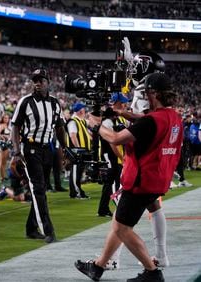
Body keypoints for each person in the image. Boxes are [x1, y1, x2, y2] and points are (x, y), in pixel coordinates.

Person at [75, 73, 182, 282]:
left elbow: (115, 138)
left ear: (155, 93)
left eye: (146, 93)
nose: (144, 97)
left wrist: (97, 126)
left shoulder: (151, 121)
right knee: (119, 221)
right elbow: (151, 122)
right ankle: (97, 267)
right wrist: (127, 114)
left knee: (122, 229)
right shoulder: (173, 116)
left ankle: (152, 272)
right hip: (157, 178)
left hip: (141, 181)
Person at [10, 68, 66, 244]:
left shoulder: (55, 103)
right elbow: (15, 127)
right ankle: (48, 230)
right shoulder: (25, 102)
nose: (37, 83)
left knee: (41, 190)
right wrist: (17, 151)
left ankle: (31, 228)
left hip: (47, 149)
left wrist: (65, 148)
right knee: (38, 189)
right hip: (30, 149)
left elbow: (59, 127)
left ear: (48, 82)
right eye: (35, 80)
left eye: (41, 80)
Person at [97, 93, 129, 217]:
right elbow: (112, 143)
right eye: (122, 102)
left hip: (115, 156)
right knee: (111, 182)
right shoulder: (107, 121)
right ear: (115, 103)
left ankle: (104, 209)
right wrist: (122, 157)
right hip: (110, 156)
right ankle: (112, 209)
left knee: (112, 182)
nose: (124, 104)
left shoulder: (115, 119)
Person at [67, 102, 91, 199]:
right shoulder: (73, 121)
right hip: (77, 151)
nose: (85, 111)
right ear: (81, 111)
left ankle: (77, 191)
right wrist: (78, 149)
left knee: (79, 171)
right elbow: (73, 136)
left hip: (82, 151)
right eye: (84, 109)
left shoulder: (81, 121)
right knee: (76, 171)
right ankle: (76, 192)